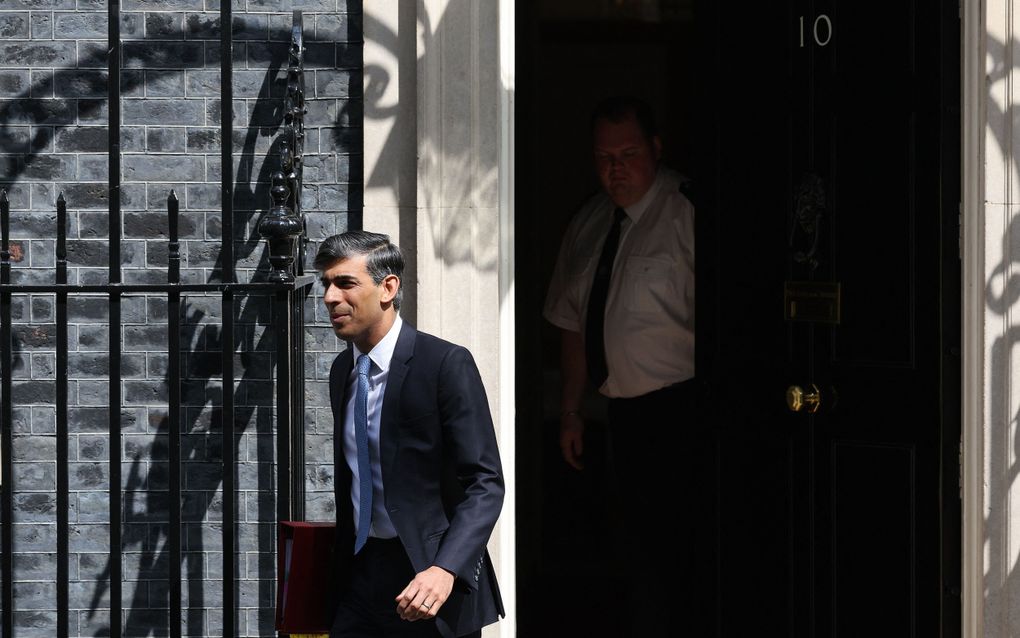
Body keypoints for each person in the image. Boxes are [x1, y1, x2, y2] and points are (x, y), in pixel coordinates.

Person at [543, 96, 699, 635]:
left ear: (656, 149)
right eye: (604, 156)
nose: (616, 168)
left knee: (680, 550)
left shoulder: (687, 213)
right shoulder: (589, 220)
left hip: (683, 408)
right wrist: (570, 411)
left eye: (629, 153)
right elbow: (571, 322)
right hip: (618, 415)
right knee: (627, 546)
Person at [317, 231, 504, 638]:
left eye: (345, 283)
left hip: (430, 580)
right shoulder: (342, 372)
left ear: (388, 288)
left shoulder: (445, 364)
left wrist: (445, 569)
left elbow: (485, 483)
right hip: (360, 578)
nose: (330, 297)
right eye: (326, 284)